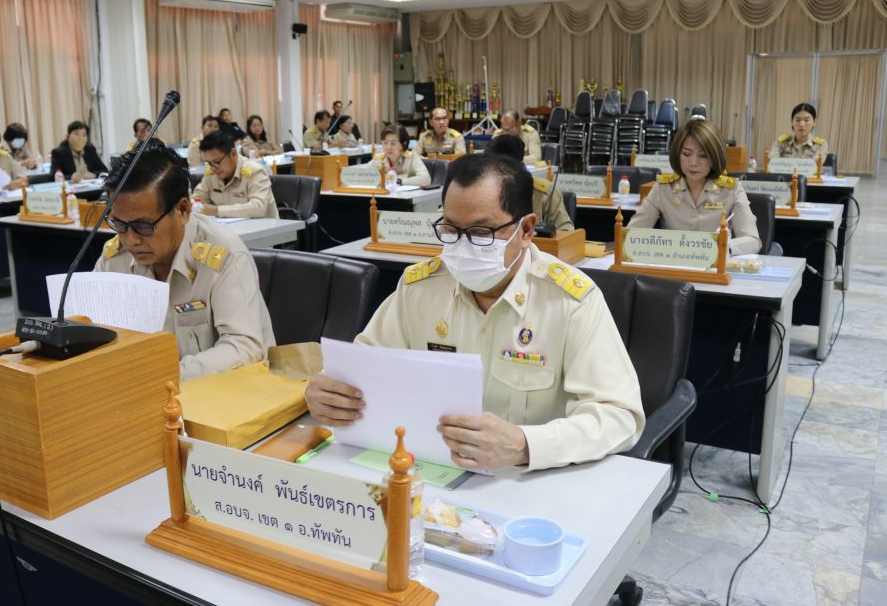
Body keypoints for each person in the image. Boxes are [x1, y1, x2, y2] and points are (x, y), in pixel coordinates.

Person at [304, 153, 644, 471]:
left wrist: (525, 445)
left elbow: (619, 415)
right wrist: (325, 392)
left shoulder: (570, 301)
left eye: (482, 232)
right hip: (430, 469)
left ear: (526, 230)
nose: (462, 247)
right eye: (451, 230)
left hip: (526, 480)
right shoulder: (419, 288)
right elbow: (363, 367)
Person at [93, 145, 274, 379]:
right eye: (119, 224)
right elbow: (94, 330)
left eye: (143, 226)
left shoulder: (224, 255)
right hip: (148, 391)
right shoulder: (115, 258)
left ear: (183, 210)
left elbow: (245, 347)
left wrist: (165, 376)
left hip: (230, 391)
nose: (130, 240)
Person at [628, 118, 761, 255]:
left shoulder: (731, 190)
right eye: (686, 154)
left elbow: (753, 241)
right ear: (677, 154)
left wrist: (722, 247)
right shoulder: (663, 188)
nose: (693, 162)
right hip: (674, 262)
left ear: (715, 157)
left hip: (715, 265)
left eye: (703, 155)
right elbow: (631, 234)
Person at [487, 135, 572, 231]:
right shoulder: (482, 190)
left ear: (519, 165)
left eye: (501, 169)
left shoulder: (544, 192)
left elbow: (566, 232)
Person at [191, 132, 278, 218]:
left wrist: (216, 210)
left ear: (233, 154)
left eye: (217, 162)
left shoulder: (254, 171)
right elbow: (195, 200)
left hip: (263, 226)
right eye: (209, 163)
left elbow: (259, 207)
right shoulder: (211, 174)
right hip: (226, 226)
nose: (213, 168)